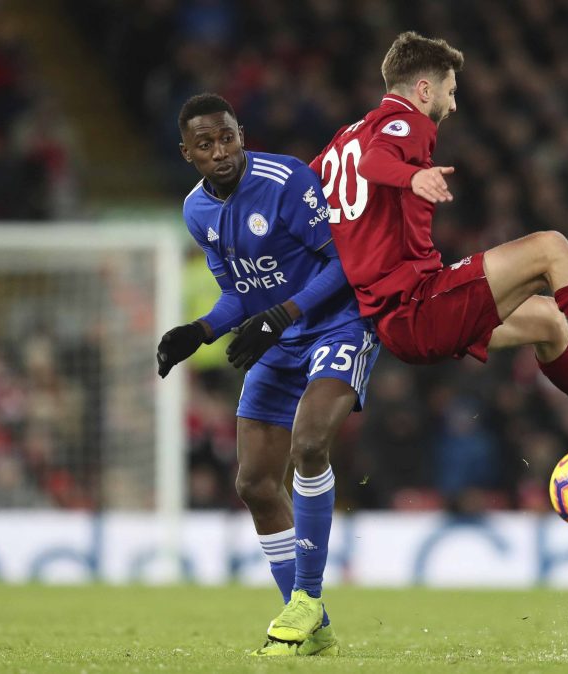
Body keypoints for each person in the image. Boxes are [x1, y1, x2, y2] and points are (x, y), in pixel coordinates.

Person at [311, 31, 568, 460]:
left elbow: (307, 190)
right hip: (416, 307)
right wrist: (411, 176)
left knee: (550, 322)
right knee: (549, 248)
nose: (455, 103)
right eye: (450, 91)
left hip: (397, 318)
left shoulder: (345, 138)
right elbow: (375, 164)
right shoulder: (406, 121)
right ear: (423, 89)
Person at [157, 93, 380, 657]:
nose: (220, 151)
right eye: (205, 144)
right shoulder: (195, 212)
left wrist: (282, 315)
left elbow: (344, 263)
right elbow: (240, 290)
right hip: (277, 338)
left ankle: (304, 599)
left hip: (336, 327)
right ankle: (318, 628)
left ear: (241, 134)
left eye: (227, 137)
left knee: (308, 445)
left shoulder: (287, 180)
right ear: (188, 153)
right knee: (254, 483)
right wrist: (201, 331)